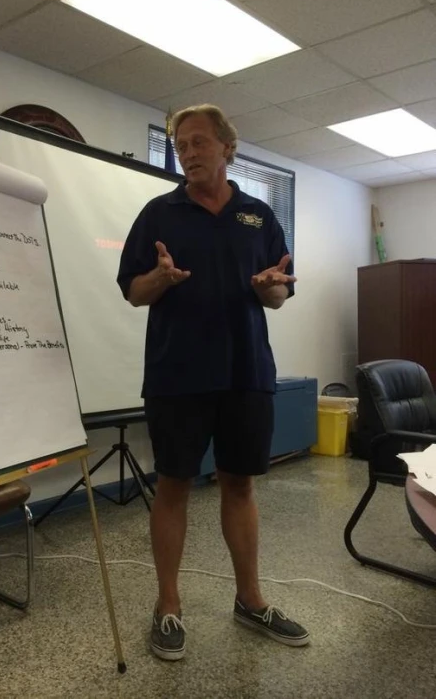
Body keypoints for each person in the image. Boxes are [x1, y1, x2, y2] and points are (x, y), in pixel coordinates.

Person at [116, 104, 309, 661]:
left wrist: (271, 286)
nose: (188, 152)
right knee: (174, 485)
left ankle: (250, 600)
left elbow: (278, 293)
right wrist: (161, 278)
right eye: (180, 145)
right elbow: (133, 291)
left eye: (199, 142)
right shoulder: (159, 213)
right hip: (177, 374)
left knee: (240, 485)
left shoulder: (259, 215)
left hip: (246, 372)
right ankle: (168, 606)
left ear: (228, 147)